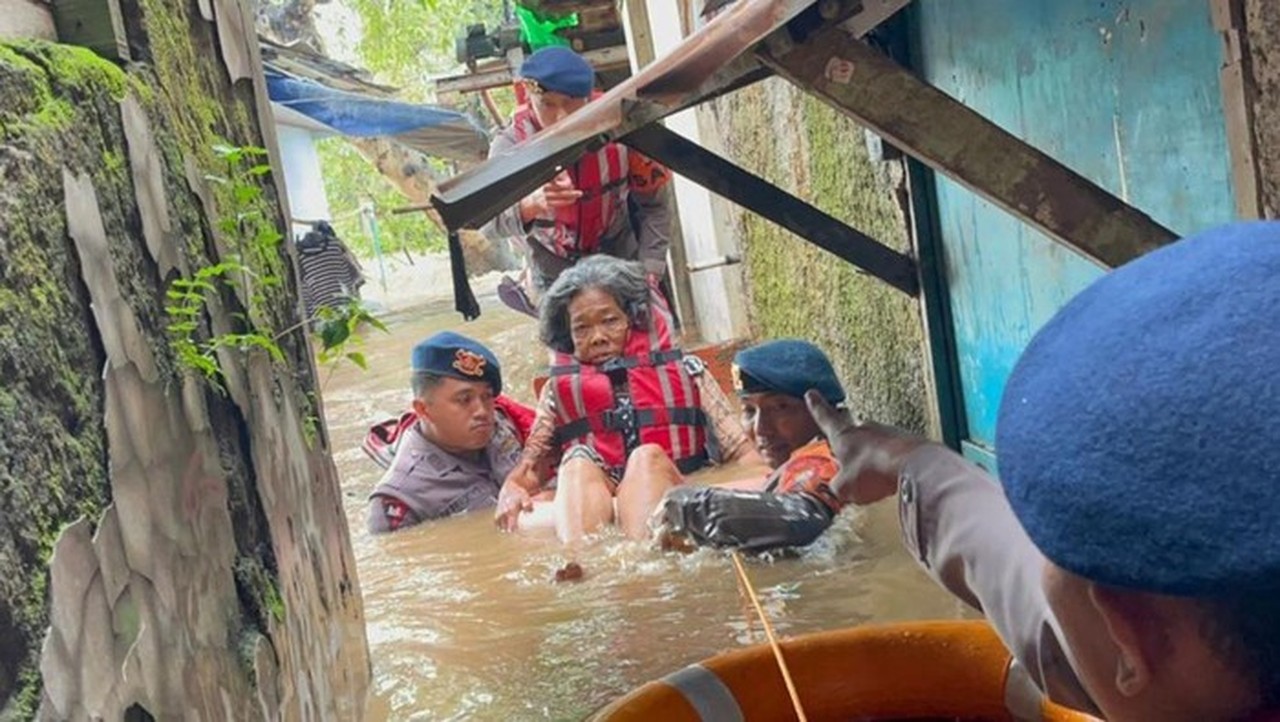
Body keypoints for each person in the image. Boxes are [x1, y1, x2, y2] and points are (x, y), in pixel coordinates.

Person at [806, 221, 1280, 722]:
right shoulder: (1185, 663)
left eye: (1047, 548)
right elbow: (1027, 591)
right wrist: (906, 463)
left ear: (1134, 636)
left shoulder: (1149, 669)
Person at [494, 255, 759, 544]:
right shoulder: (557, 391)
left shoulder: (688, 371)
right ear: (567, 336)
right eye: (581, 328)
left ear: (634, 320)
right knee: (576, 461)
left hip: (670, 488)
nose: (597, 337)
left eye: (610, 321)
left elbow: (744, 454)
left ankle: (644, 560)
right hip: (592, 502)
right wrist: (512, 488)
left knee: (647, 457)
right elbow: (531, 470)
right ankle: (583, 567)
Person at [481, 46, 675, 306]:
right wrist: (531, 205)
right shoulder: (510, 147)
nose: (561, 117)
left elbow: (655, 207)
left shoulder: (625, 127)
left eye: (571, 103)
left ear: (588, 98)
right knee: (568, 338)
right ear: (529, 98)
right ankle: (527, 295)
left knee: (647, 323)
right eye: (547, 104)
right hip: (552, 265)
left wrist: (650, 273)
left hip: (617, 250)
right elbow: (487, 225)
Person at [652, 339, 848, 553]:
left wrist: (692, 507)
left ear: (822, 411)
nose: (760, 429)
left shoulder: (818, 461)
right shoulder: (805, 462)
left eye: (780, 408)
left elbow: (803, 516)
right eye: (749, 411)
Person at [367, 331, 524, 534]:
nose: (482, 411)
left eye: (486, 396)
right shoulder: (400, 500)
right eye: (464, 400)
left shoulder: (503, 424)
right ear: (423, 410)